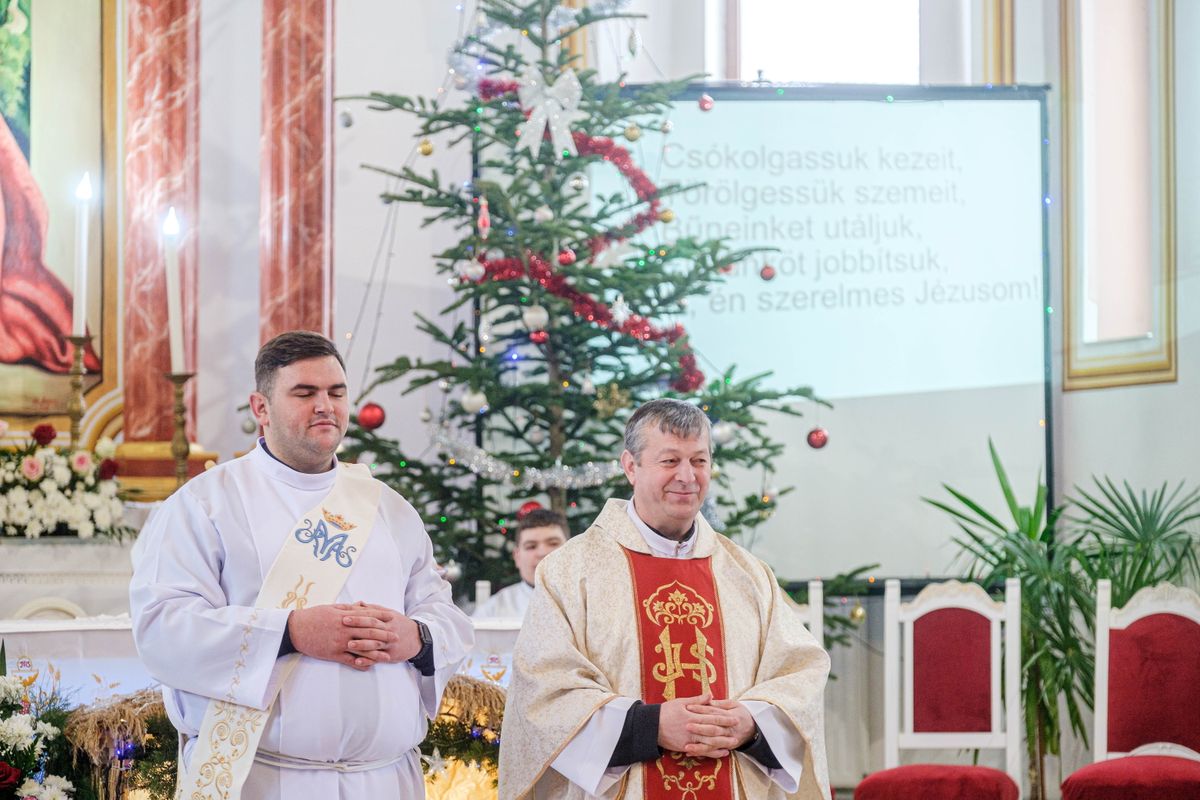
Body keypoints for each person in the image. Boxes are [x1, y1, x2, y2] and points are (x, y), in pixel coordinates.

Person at [130, 331, 473, 800]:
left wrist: (416, 638)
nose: (325, 406)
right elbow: (162, 628)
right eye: (304, 393)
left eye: (336, 392)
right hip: (264, 781)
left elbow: (444, 613)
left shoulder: (389, 510)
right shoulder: (204, 505)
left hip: (385, 779)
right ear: (260, 407)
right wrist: (290, 633)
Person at [499, 398, 831, 800]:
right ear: (631, 466)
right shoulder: (571, 571)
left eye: (699, 461)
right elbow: (545, 693)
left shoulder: (747, 574)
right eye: (670, 461)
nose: (687, 477)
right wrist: (649, 725)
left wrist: (750, 722)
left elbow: (800, 673)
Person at [472, 508, 569, 621]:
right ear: (517, 557)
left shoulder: (591, 602)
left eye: (553, 543)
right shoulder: (492, 611)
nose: (543, 553)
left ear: (571, 550)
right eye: (531, 546)